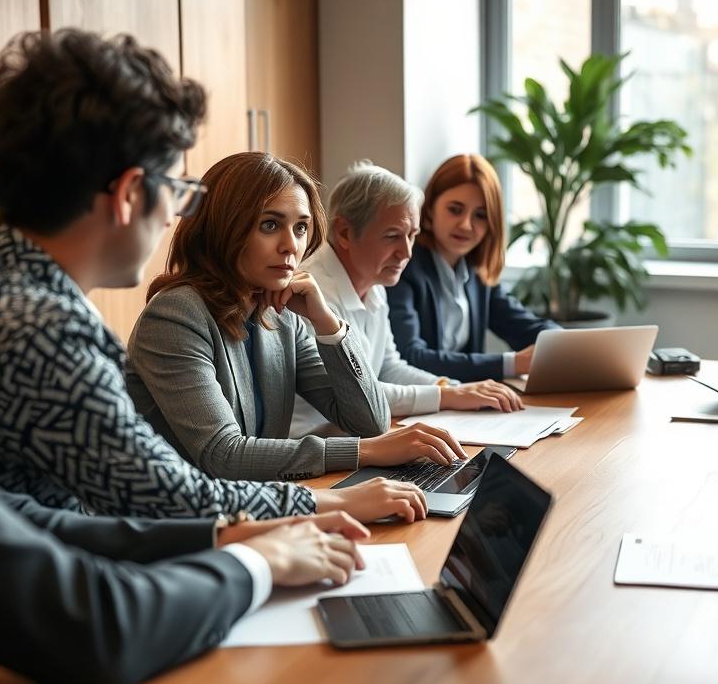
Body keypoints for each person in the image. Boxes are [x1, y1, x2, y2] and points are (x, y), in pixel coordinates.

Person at [0, 0, 368, 684]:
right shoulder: (35, 323)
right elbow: (156, 512)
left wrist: (226, 538)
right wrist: (272, 546)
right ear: (133, 193)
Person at [0, 29, 424, 526]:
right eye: (175, 187)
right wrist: (321, 507)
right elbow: (168, 491)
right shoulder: (46, 329)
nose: (176, 212)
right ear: (129, 194)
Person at [126, 151, 469, 482]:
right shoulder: (175, 315)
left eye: (301, 228)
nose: (291, 245)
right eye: (270, 224)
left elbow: (371, 421)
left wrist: (328, 325)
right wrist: (365, 452)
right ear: (224, 228)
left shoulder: (283, 317)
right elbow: (222, 455)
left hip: (259, 508)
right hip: (182, 528)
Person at [291, 160, 523, 437]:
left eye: (411, 236)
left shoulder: (375, 283)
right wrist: (447, 396)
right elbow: (358, 394)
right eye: (392, 236)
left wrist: (450, 387)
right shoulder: (310, 294)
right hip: (313, 448)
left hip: (357, 436)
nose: (406, 252)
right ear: (344, 233)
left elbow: (390, 367)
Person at [387, 153, 560, 382]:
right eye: (455, 210)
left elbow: (526, 328)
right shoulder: (403, 267)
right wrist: (512, 363)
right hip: (423, 404)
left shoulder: (477, 274)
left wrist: (563, 342)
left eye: (480, 215)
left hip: (464, 406)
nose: (466, 225)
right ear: (428, 210)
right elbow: (411, 357)